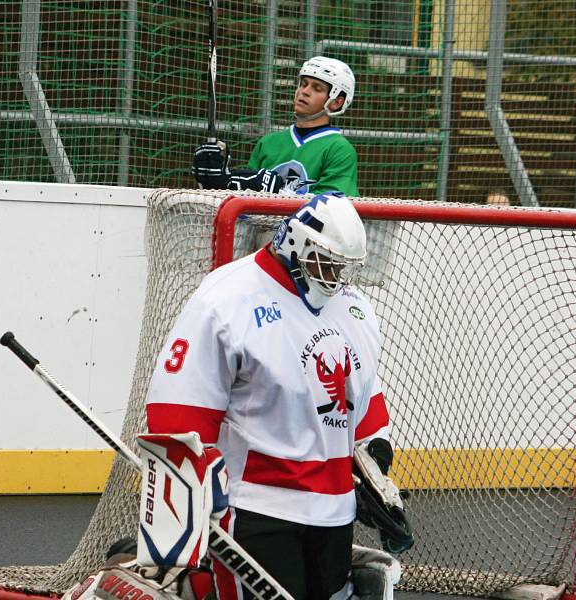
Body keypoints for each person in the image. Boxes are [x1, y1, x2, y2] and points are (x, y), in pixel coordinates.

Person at [144, 193, 397, 599]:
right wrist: (200, 489)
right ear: (294, 244)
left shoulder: (355, 309)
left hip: (335, 513)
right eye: (327, 262)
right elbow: (177, 409)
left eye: (344, 268)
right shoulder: (226, 297)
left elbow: (366, 407)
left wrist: (375, 464)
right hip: (254, 509)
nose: (336, 277)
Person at [191, 57, 359, 197]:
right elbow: (246, 202)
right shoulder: (268, 143)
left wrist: (279, 193)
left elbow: (333, 207)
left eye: (317, 88)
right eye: (304, 84)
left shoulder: (339, 149)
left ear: (337, 102)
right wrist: (222, 180)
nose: (304, 91)